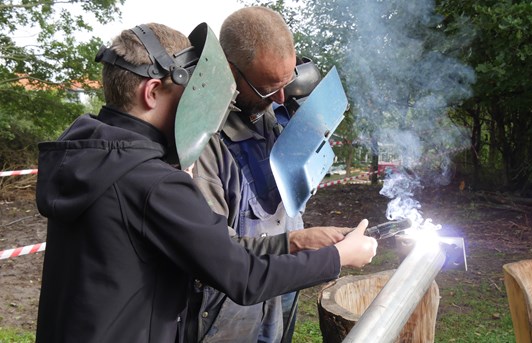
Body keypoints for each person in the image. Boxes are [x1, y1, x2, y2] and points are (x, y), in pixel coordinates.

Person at [34, 22, 377, 343]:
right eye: (191, 91)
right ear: (153, 91)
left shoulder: (88, 155)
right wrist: (338, 256)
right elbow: (243, 278)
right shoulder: (153, 182)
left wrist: (295, 241)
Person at [191, 7, 336, 343]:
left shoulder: (273, 106)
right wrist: (298, 243)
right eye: (269, 89)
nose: (280, 100)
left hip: (283, 282)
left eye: (285, 84)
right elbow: (215, 251)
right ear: (229, 71)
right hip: (231, 304)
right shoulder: (202, 141)